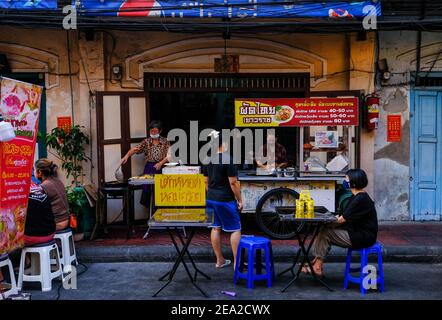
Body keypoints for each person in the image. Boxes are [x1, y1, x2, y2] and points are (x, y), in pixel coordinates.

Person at [304, 169, 378, 277]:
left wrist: (326, 220)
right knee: (322, 229)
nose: (344, 180)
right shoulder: (356, 196)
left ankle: (317, 267)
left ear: (353, 182)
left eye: (346, 178)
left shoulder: (360, 199)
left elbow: (342, 219)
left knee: (326, 233)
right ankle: (316, 261)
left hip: (363, 236)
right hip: (355, 231)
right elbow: (344, 215)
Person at [202, 130, 243, 269]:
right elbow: (233, 183)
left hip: (211, 198)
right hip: (225, 199)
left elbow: (206, 182)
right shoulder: (227, 159)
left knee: (215, 228)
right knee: (235, 229)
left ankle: (219, 260)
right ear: (223, 144)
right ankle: (237, 263)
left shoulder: (207, 159)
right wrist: (240, 200)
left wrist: (212, 194)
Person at [121, 120, 170, 207]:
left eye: (155, 131)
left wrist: (161, 163)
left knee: (161, 192)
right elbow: (135, 149)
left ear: (160, 131)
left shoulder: (165, 141)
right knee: (148, 192)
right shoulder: (146, 142)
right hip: (149, 168)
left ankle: (159, 213)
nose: (153, 133)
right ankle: (151, 213)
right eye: (151, 131)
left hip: (162, 168)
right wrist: (126, 156)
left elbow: (169, 155)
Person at [34, 159, 70, 231]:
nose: (33, 172)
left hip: (58, 223)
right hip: (66, 220)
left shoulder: (44, 186)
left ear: (39, 172)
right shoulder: (57, 181)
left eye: (34, 170)